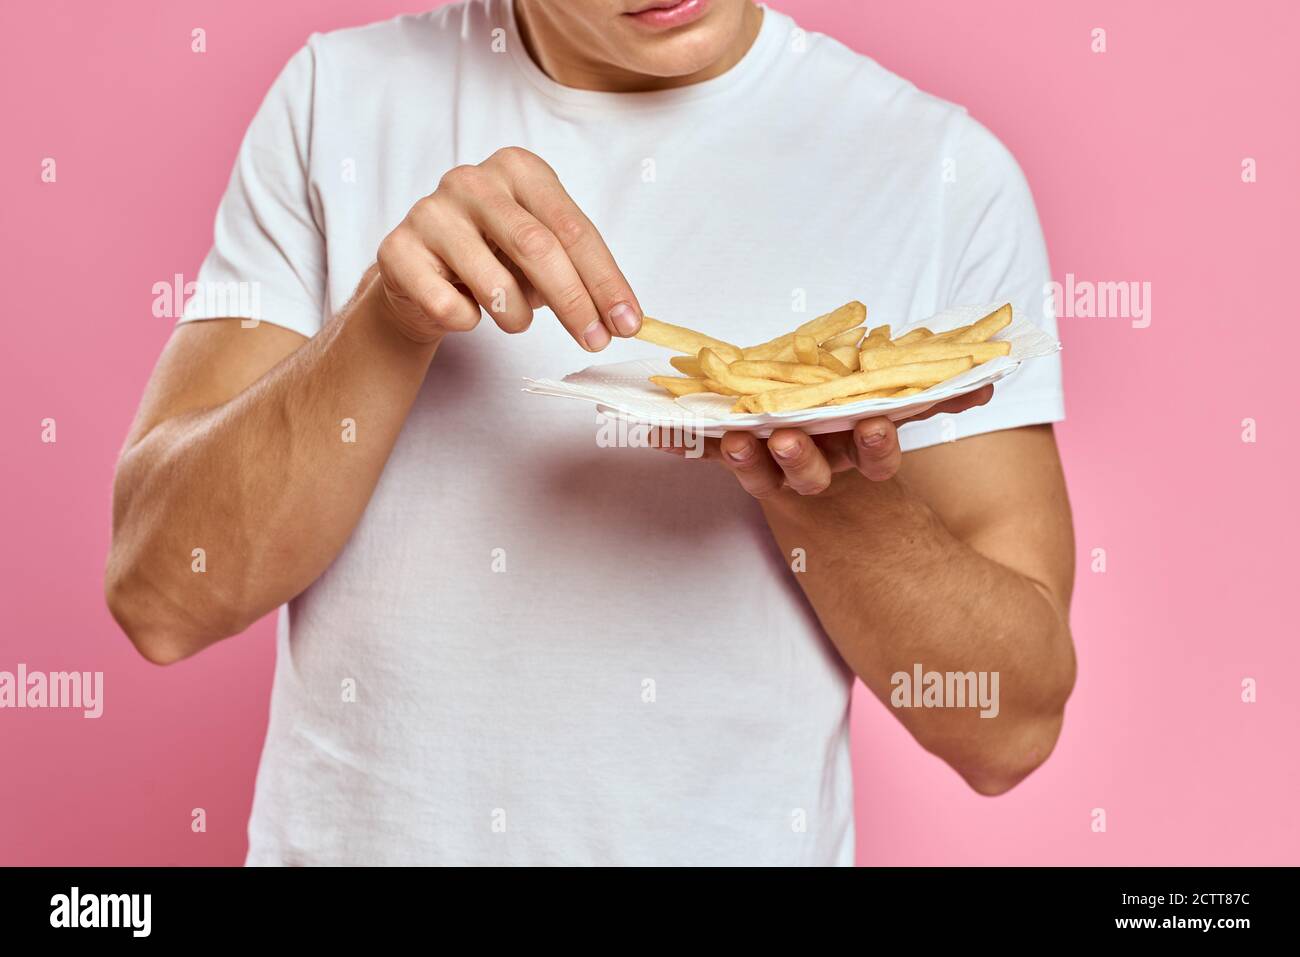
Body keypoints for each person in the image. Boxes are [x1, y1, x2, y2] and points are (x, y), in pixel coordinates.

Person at [105, 0, 1076, 866]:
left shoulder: (937, 174)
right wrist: (387, 320)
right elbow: (162, 598)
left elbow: (1007, 730)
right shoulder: (338, 101)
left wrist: (820, 473)